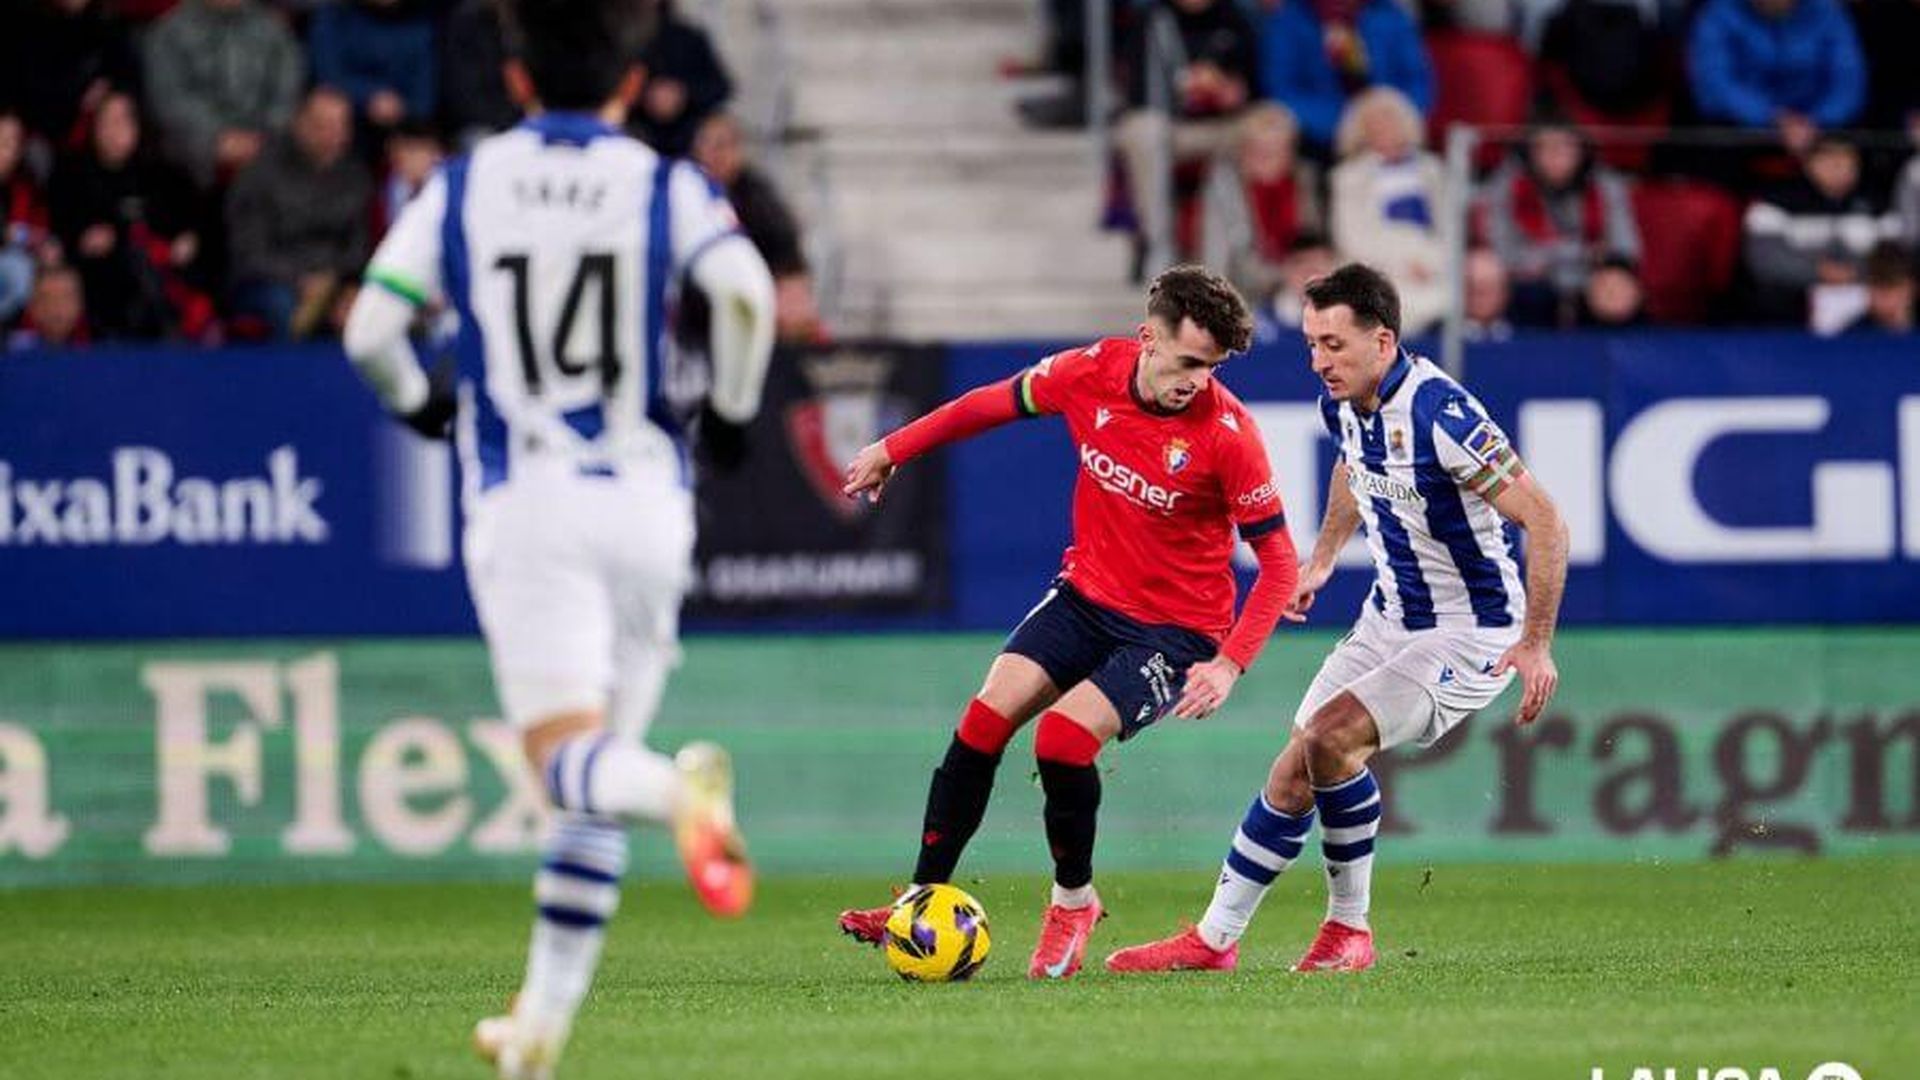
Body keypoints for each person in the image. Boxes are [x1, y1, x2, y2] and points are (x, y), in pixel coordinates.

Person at [339, 0, 778, 1072]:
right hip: (649, 504)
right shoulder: (665, 183)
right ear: (629, 82)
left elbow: (371, 330)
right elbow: (745, 293)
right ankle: (537, 1031)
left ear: (517, 77)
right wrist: (729, 411)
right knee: (591, 776)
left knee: (572, 766)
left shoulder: (464, 186)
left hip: (531, 498)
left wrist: (419, 404)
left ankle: (682, 791)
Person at [835, 265, 1301, 980]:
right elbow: (988, 405)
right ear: (1148, 338)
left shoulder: (1229, 434)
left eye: (1210, 368)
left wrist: (1229, 662)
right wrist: (892, 449)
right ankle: (918, 902)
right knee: (982, 722)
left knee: (1061, 741)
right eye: (1186, 362)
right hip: (1086, 597)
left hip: (1175, 631)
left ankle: (1073, 904)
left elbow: (1279, 564)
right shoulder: (1090, 373)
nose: (1197, 382)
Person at [1106, 263, 1567, 974]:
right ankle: (1214, 941)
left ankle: (1349, 932)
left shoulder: (1441, 414)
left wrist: (1536, 644)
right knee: (1294, 771)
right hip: (1389, 618)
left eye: (1334, 344)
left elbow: (1546, 521)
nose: (1319, 361)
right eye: (1312, 344)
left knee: (1331, 738)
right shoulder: (1345, 403)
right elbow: (1353, 469)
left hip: (1471, 630)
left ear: (1382, 342)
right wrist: (1321, 559)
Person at [225, 87, 372, 340]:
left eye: (341, 126)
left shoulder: (355, 176)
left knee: (375, 306)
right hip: (271, 281)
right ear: (299, 124)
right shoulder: (261, 173)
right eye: (323, 126)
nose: (334, 136)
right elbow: (250, 253)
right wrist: (301, 279)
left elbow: (358, 247)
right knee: (281, 306)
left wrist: (333, 282)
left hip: (334, 279)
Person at [1480, 121, 1639, 326]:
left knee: (1616, 288)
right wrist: (1579, 253)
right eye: (1545, 148)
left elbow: (1625, 249)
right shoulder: (1507, 184)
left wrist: (1605, 266)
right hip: (1527, 284)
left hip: (1590, 283)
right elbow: (1502, 252)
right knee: (1487, 273)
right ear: (1529, 152)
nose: (1555, 156)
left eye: (1565, 147)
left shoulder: (1605, 185)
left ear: (1582, 151)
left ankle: (1614, 344)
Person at [141, 0, 306, 187]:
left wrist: (261, 138)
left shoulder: (274, 30)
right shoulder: (170, 31)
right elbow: (169, 98)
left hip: (264, 145)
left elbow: (287, 92)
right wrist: (216, 138)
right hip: (193, 153)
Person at [1328, 88, 1449, 336]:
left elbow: (1451, 228)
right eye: (1375, 123)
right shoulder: (1347, 178)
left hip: (1432, 268)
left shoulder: (1434, 170)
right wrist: (1402, 265)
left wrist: (1431, 262)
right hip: (1381, 271)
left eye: (1391, 120)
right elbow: (1350, 238)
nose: (1385, 129)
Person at [1686, 0, 1864, 158]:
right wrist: (1772, 118)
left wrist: (1816, 121)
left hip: (1822, 132)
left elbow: (1848, 80)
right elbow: (1715, 83)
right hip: (1739, 133)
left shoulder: (1827, 12)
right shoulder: (1719, 13)